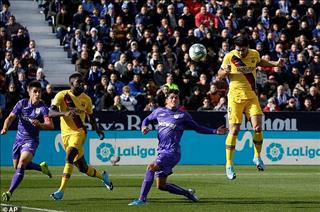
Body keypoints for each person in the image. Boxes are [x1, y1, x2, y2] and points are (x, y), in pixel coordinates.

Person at [128, 89, 227, 205]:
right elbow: (147, 119)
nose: (174, 99)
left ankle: (142, 200)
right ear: (166, 101)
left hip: (172, 152)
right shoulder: (159, 112)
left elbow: (197, 127)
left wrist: (215, 131)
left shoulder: (182, 115)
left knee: (151, 167)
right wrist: (143, 126)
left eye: (176, 98)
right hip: (162, 151)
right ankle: (187, 193)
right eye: (171, 97)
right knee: (161, 185)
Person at [218, 35, 285, 180]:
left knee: (258, 128)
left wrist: (275, 64)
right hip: (235, 98)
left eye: (243, 50)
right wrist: (225, 72)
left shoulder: (254, 54)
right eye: (238, 50)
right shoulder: (229, 57)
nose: (240, 53)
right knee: (234, 129)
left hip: (251, 96)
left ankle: (256, 157)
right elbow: (219, 75)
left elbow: (259, 62)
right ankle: (229, 165)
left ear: (247, 47)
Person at [49, 73, 113, 200]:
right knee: (82, 167)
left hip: (80, 132)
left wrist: (97, 129)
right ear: (71, 84)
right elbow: (50, 112)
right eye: (78, 82)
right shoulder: (62, 95)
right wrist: (64, 112)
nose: (82, 84)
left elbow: (91, 116)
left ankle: (60, 191)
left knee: (69, 156)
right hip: (65, 135)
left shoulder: (87, 99)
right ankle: (103, 177)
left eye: (82, 82)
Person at [1, 80, 54, 202]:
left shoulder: (43, 108)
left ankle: (10, 192)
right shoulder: (22, 103)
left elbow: (50, 125)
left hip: (31, 140)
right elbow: (10, 118)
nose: (37, 94)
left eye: (39, 91)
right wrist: (5, 128)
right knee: (17, 166)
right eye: (35, 91)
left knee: (22, 162)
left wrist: (40, 124)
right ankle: (41, 168)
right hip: (18, 139)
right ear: (29, 92)